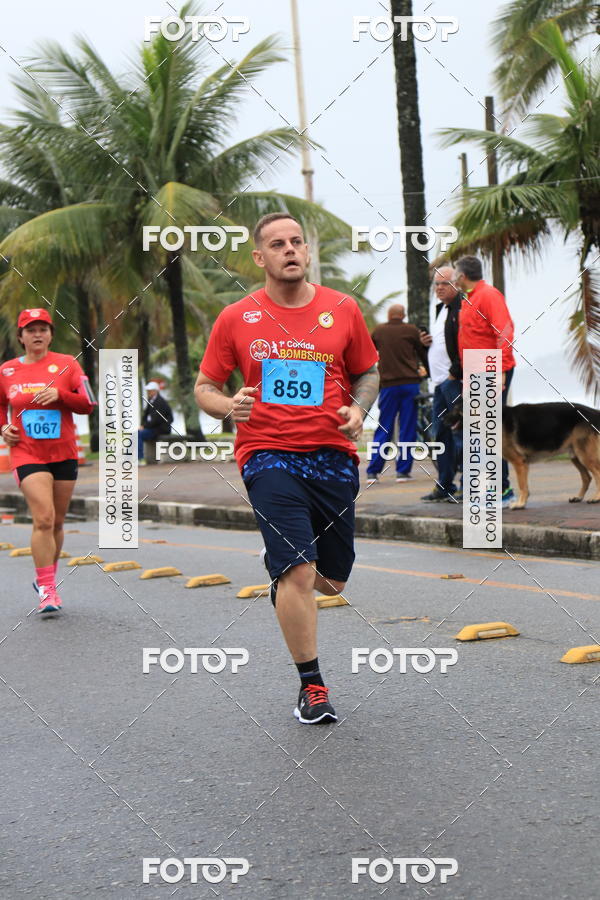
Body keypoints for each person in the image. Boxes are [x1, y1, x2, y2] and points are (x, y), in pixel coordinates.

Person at [194, 212, 379, 724]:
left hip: (333, 455)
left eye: (297, 241)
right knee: (298, 569)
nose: (291, 250)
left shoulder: (342, 309)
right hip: (267, 454)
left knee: (333, 580)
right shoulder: (237, 317)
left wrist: (359, 409)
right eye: (278, 244)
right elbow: (204, 387)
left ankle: (281, 561)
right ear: (260, 257)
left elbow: (367, 370)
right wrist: (227, 405)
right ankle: (312, 686)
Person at [0, 308, 96, 614]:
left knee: (56, 521)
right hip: (26, 452)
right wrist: (3, 428)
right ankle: (48, 590)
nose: (37, 335)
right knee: (42, 517)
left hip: (63, 452)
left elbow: (89, 404)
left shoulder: (67, 365)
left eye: (43, 329)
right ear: (21, 337)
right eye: (31, 330)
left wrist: (60, 395)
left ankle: (45, 579)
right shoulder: (7, 371)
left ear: (51, 334)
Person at [454, 255, 517, 504]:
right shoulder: (469, 298)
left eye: (455, 276)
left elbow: (505, 331)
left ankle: (501, 489)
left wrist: (499, 369)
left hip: (490, 368)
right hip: (475, 371)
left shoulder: (488, 295)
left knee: (491, 430)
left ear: (462, 276)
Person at [365, 304, 425, 484]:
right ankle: (402, 472)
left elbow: (367, 352)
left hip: (388, 386)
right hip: (410, 385)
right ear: (403, 315)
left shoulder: (379, 331)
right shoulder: (411, 330)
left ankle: (373, 472)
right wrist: (427, 372)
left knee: (384, 427)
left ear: (389, 315)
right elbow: (423, 353)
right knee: (407, 427)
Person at [420, 266, 463, 501]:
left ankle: (469, 484)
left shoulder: (462, 307)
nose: (439, 288)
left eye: (444, 283)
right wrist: (425, 342)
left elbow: (468, 340)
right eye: (436, 284)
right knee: (440, 436)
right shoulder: (441, 309)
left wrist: (455, 372)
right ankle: (445, 485)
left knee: (461, 435)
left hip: (454, 381)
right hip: (439, 383)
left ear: (457, 283)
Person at [138, 381, 173, 464]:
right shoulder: (151, 400)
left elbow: (157, 419)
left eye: (150, 390)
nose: (148, 392)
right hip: (153, 428)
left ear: (155, 391)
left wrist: (145, 427)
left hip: (161, 429)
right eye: (148, 390)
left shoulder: (161, 402)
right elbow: (145, 415)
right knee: (135, 434)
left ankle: (139, 458)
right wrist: (143, 425)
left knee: (138, 435)